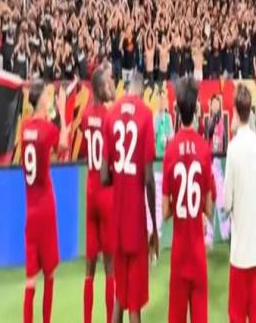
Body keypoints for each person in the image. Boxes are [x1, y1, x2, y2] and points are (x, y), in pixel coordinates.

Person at [101, 72, 159, 323]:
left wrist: (120, 178)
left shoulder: (111, 114)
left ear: (126, 89)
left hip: (116, 217)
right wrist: (154, 223)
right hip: (135, 220)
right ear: (142, 90)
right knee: (134, 304)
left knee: (120, 297)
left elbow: (104, 176)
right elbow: (148, 179)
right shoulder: (145, 114)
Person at [162, 77, 214, 323]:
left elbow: (164, 211)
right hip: (198, 253)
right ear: (196, 109)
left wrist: (178, 203)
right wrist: (198, 208)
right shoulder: (204, 149)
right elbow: (209, 207)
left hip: (179, 253)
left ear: (177, 110)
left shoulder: (171, 150)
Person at [20, 81, 69, 323]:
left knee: (31, 279)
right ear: (41, 100)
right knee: (50, 274)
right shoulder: (48, 129)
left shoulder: (24, 128)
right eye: (48, 95)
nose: (50, 98)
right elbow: (64, 148)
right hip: (46, 207)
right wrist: (63, 111)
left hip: (30, 211)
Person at [223, 84, 256, 323]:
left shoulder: (234, 147)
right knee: (253, 315)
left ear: (236, 112)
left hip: (239, 251)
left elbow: (226, 200)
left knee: (237, 316)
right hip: (254, 248)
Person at [81, 68, 115, 323]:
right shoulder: (109, 117)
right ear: (99, 88)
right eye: (108, 83)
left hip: (90, 190)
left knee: (89, 268)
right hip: (106, 193)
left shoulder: (85, 116)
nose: (111, 86)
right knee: (110, 267)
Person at [154, 90, 174, 158]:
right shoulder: (154, 117)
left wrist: (167, 138)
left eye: (162, 100)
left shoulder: (168, 117)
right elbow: (152, 135)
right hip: (156, 152)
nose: (161, 103)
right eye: (159, 100)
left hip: (166, 151)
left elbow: (172, 134)